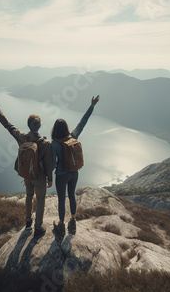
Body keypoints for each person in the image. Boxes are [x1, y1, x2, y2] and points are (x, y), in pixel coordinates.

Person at [0, 95, 53, 238]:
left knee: (29, 196)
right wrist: (50, 179)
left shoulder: (22, 137)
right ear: (39, 126)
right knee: (40, 200)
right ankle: (38, 228)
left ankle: (28, 222)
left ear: (28, 126)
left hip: (26, 173)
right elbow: (48, 163)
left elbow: (7, 124)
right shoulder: (45, 144)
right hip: (39, 177)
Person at [52, 95, 99, 236]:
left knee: (61, 199)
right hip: (74, 172)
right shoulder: (73, 137)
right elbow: (82, 122)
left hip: (61, 175)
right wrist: (91, 106)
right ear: (66, 128)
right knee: (71, 195)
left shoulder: (54, 143)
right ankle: (72, 222)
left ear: (55, 130)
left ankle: (61, 225)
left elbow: (53, 163)